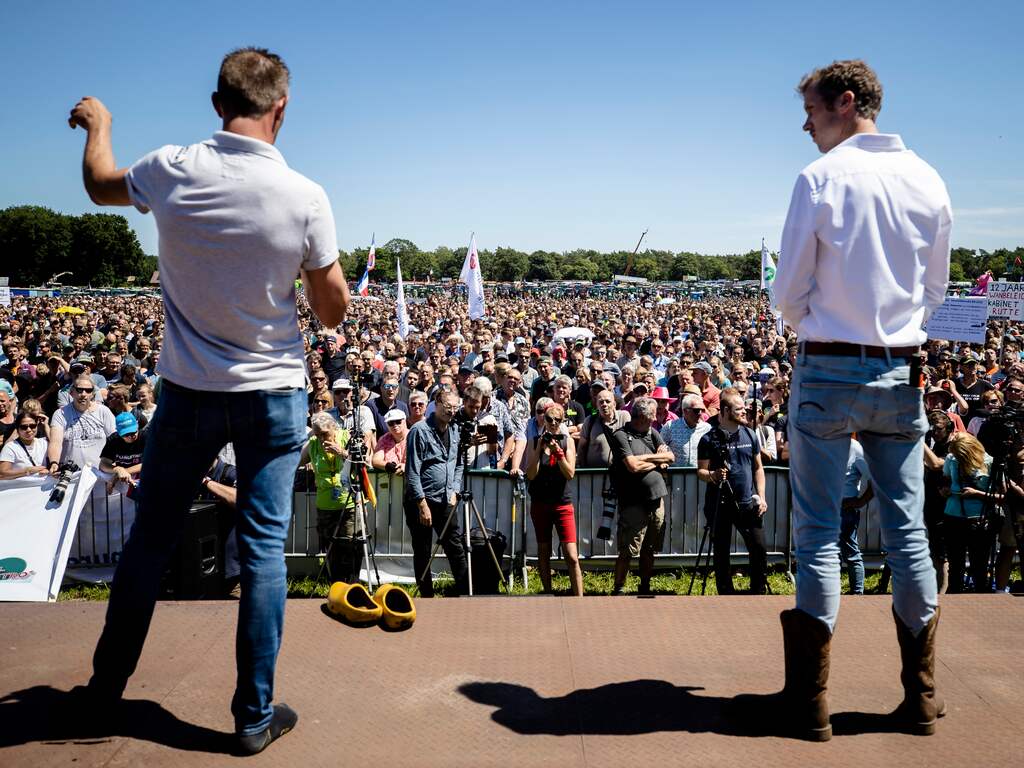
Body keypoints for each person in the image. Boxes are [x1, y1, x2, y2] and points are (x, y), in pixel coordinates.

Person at [69, 47, 349, 753]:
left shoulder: (172, 168)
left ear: (217, 103)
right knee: (261, 554)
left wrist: (99, 122)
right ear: (280, 109)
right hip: (273, 395)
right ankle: (252, 717)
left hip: (189, 391)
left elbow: (101, 183)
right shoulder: (305, 196)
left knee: (147, 544)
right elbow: (334, 310)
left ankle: (104, 695)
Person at [757, 59, 952, 740]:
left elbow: (786, 292)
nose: (805, 124)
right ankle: (920, 701)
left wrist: (817, 325)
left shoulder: (820, 178)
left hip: (828, 371)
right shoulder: (928, 178)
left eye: (810, 110)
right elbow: (935, 291)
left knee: (816, 534)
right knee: (908, 535)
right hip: (901, 374)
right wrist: (894, 331)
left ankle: (810, 707)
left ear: (844, 103)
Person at [697, 388, 769, 595]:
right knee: (721, 550)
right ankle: (725, 593)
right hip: (718, 503)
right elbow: (700, 471)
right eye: (739, 409)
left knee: (758, 546)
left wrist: (762, 497)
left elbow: (758, 468)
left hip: (747, 503)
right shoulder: (708, 439)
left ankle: (758, 590)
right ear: (726, 411)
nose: (745, 412)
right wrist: (713, 475)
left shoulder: (750, 434)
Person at [403, 387, 468, 597]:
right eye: (447, 406)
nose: (451, 411)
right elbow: (412, 471)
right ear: (437, 405)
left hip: (446, 499)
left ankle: (464, 591)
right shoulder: (419, 431)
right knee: (422, 550)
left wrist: (455, 490)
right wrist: (422, 504)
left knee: (455, 547)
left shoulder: (456, 430)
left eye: (454, 407)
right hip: (421, 501)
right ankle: (427, 595)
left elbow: (458, 463)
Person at [609, 397, 674, 595]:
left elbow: (670, 457)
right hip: (633, 501)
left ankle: (645, 585)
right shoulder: (621, 435)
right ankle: (618, 588)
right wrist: (657, 461)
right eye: (653, 416)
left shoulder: (652, 433)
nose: (655, 419)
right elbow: (632, 466)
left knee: (650, 547)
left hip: (656, 499)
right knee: (628, 548)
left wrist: (646, 459)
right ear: (644, 417)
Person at [525, 402, 582, 596]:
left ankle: (579, 597)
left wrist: (559, 454)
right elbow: (530, 474)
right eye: (549, 419)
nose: (553, 423)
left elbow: (570, 473)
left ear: (563, 421)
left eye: (558, 420)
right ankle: (547, 591)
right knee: (543, 549)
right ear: (544, 420)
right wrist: (539, 448)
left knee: (572, 555)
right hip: (540, 502)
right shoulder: (534, 440)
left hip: (562, 503)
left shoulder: (568, 441)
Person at [300, 411, 361, 584]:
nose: (321, 439)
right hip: (325, 505)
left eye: (324, 434)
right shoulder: (312, 443)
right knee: (331, 548)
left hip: (348, 503)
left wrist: (342, 452)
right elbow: (295, 462)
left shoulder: (347, 437)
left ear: (334, 428)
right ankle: (336, 585)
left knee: (351, 546)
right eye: (317, 434)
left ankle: (353, 585)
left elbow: (363, 462)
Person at [935, 433, 999, 594]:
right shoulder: (951, 458)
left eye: (959, 454)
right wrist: (944, 490)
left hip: (979, 519)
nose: (955, 456)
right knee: (955, 565)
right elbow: (946, 480)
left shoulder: (989, 462)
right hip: (953, 516)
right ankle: (955, 602)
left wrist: (976, 493)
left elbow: (1002, 496)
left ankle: (980, 601)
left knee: (979, 566)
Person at [47, 373, 117, 471]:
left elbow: (114, 440)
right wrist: (54, 462)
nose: (83, 394)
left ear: (92, 394)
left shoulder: (103, 411)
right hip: (70, 473)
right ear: (71, 392)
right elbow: (55, 442)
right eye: (79, 390)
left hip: (98, 474)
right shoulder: (60, 414)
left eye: (88, 391)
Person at [839, 437, 873, 595]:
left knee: (851, 553)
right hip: (825, 508)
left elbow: (876, 479)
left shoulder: (855, 448)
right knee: (829, 555)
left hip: (844, 509)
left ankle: (857, 594)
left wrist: (860, 502)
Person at [661, 393, 710, 468]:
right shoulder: (670, 426)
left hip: (700, 476)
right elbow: (660, 447)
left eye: (702, 410)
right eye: (696, 410)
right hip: (675, 476)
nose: (700, 413)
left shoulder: (707, 428)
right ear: (685, 411)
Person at [0, 410, 50, 480]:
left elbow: (58, 446)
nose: (29, 430)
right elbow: (2, 474)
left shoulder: (43, 442)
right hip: (20, 489)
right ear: (17, 429)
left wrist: (46, 425)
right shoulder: (10, 447)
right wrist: (28, 471)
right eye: (24, 427)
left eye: (33, 426)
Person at [371, 409, 409, 474]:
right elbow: (375, 460)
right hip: (389, 480)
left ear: (404, 421)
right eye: (390, 423)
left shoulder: (413, 436)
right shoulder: (384, 439)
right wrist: (389, 466)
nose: (395, 425)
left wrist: (406, 467)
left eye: (398, 421)